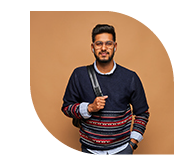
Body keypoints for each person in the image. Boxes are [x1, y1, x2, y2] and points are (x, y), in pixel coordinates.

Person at [61, 24, 149, 154]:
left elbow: (142, 113)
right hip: (89, 150)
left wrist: (132, 144)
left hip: (122, 150)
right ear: (92, 47)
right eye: (99, 44)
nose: (103, 48)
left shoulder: (130, 77)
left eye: (108, 43)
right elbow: (66, 108)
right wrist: (89, 108)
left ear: (115, 46)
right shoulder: (79, 75)